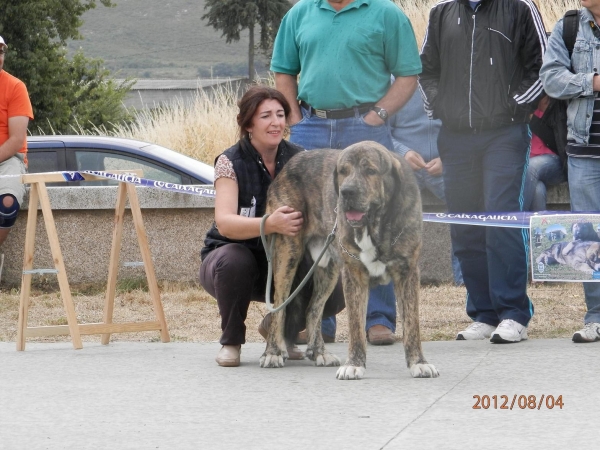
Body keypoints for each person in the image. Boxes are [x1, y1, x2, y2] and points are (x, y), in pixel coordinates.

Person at [270, 0, 422, 346]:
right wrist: (295, 119)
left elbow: (408, 74)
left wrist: (378, 115)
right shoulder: (299, 14)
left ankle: (379, 320)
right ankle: (320, 321)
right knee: (317, 226)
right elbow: (283, 73)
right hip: (312, 128)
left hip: (364, 127)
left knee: (379, 222)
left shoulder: (387, 14)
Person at [419, 0, 547, 343]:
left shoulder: (520, 7)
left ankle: (513, 313)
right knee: (464, 224)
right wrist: (440, 104)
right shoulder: (441, 12)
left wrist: (513, 105)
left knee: (500, 220)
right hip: (456, 137)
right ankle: (484, 313)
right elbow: (426, 70)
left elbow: (542, 67)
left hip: (504, 135)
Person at [199, 86, 345, 366]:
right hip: (234, 260)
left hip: (285, 258)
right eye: (266, 115)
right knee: (234, 261)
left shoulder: (301, 158)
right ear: (248, 123)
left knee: (333, 283)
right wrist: (270, 223)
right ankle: (231, 342)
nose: (276, 122)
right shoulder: (230, 162)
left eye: (280, 114)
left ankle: (280, 329)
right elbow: (226, 223)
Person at [540, 0, 600, 343]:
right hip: (585, 152)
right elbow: (551, 79)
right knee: (589, 239)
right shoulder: (568, 26)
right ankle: (596, 317)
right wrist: (593, 81)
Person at [389, 89, 463, 286]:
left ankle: (463, 278)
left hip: (445, 165)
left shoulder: (451, 82)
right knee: (388, 210)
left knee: (466, 207)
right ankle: (396, 278)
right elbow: (381, 131)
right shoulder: (393, 84)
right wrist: (403, 154)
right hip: (403, 166)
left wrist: (448, 157)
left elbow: (466, 129)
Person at [0, 36, 33, 271]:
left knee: (8, 201)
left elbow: (16, 140)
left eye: (1, 52)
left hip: (9, 159)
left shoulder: (14, 86)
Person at [523, 95, 567, 211]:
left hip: (555, 161)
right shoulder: (521, 110)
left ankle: (515, 220)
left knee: (531, 167)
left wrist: (533, 120)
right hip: (527, 162)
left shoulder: (558, 108)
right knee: (538, 189)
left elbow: (557, 143)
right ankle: (533, 228)